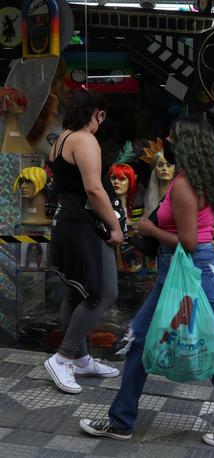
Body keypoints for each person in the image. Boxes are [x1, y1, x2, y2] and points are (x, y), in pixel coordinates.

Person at [79, 118, 214, 447]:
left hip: (191, 272)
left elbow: (188, 242)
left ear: (185, 144)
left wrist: (149, 230)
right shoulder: (195, 181)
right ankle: (121, 421)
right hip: (183, 273)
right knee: (140, 339)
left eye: (171, 136)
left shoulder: (186, 186)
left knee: (211, 349)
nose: (165, 140)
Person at [45, 89, 123, 395]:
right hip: (84, 226)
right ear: (99, 114)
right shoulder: (85, 140)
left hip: (66, 223)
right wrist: (115, 226)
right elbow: (94, 189)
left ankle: (80, 359)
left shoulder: (60, 140)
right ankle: (63, 358)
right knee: (103, 291)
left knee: (77, 293)